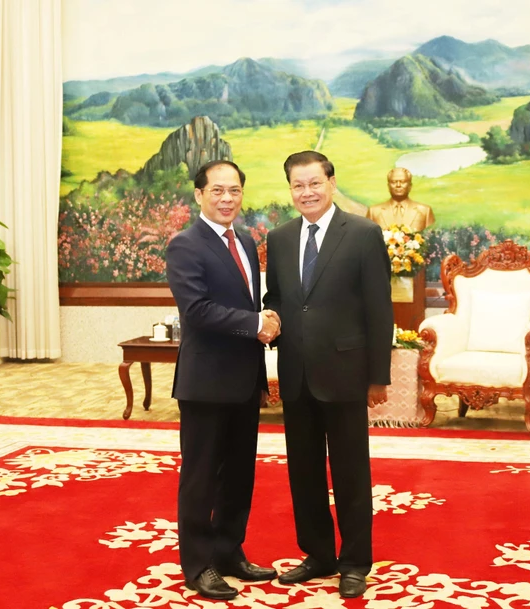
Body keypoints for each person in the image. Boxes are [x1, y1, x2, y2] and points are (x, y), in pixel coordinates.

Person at [263, 151, 394, 598]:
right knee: (303, 471)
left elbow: (379, 309)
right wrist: (268, 321)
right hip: (296, 374)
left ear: (331, 183)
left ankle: (355, 561)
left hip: (345, 373)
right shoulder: (279, 238)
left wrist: (378, 377)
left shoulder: (362, 234)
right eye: (298, 185)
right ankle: (318, 554)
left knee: (351, 471)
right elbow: (279, 298)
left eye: (314, 183)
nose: (307, 193)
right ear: (290, 190)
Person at [165, 160, 282, 601]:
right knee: (201, 477)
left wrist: (268, 318)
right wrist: (257, 322)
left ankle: (230, 553)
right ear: (198, 195)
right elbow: (196, 311)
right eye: (217, 191)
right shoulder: (185, 245)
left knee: (238, 474)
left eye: (234, 190)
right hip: (206, 381)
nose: (227, 198)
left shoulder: (246, 242)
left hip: (243, 378)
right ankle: (198, 565)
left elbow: (247, 299)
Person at [365, 167, 436, 231]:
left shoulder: (425, 211)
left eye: (403, 182)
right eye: (393, 182)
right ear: (388, 186)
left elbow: (430, 240)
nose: (398, 185)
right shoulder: (374, 212)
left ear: (410, 186)